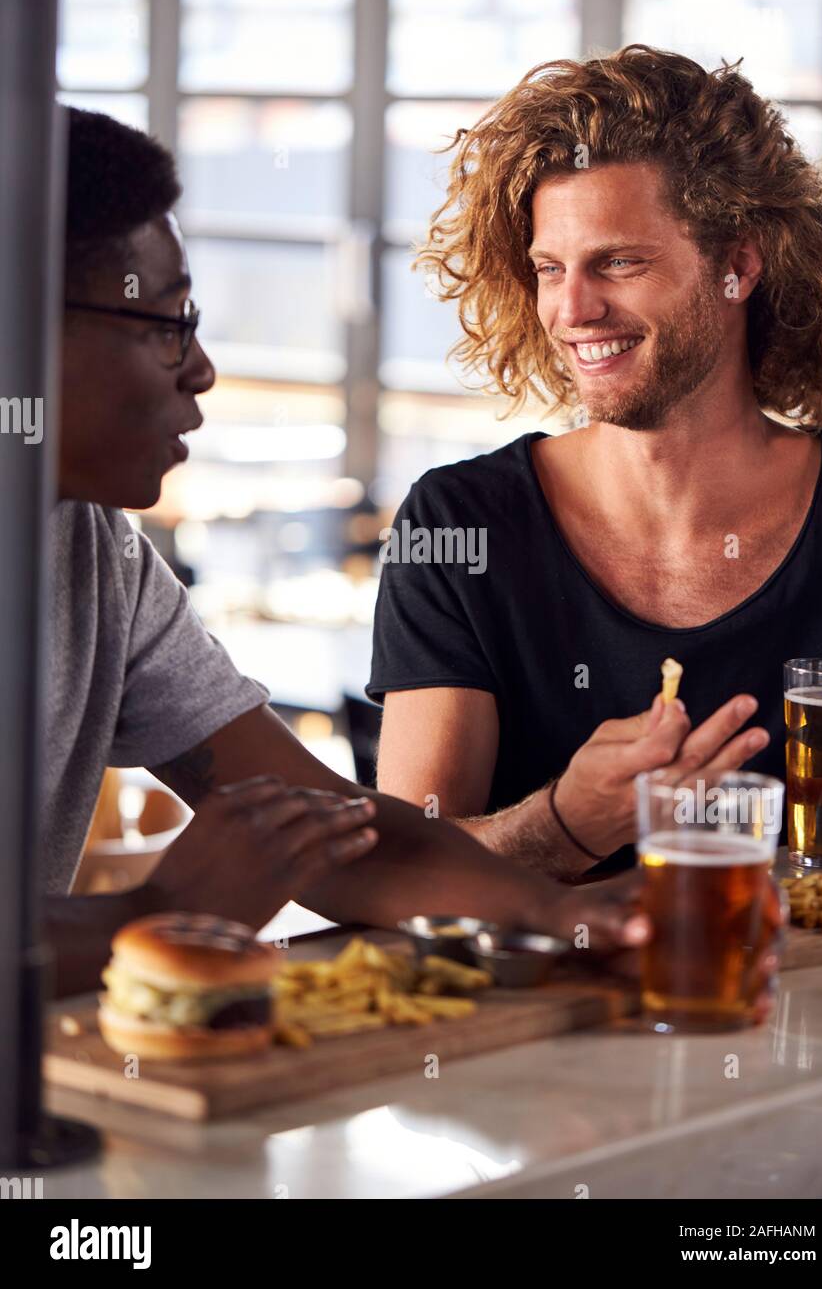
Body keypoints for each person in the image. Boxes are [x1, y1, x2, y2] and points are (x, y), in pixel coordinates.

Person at [48, 106, 718, 997]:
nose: (202, 367)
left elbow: (338, 835)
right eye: (168, 323)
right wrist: (144, 915)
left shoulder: (97, 555)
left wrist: (555, 912)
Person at [370, 45, 822, 882]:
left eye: (619, 262)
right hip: (546, 1014)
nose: (572, 310)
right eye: (550, 269)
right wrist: (566, 824)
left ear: (738, 265)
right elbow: (406, 870)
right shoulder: (459, 525)